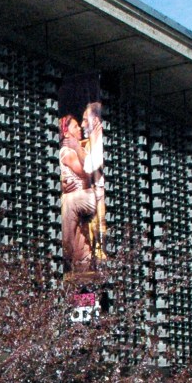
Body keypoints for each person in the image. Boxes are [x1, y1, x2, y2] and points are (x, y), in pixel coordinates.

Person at [59, 115, 95, 274]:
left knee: (69, 202)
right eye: (75, 127)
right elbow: (86, 171)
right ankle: (80, 264)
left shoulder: (77, 149)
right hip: (84, 197)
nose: (79, 128)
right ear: (66, 133)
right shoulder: (67, 152)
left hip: (89, 196)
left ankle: (68, 256)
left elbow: (90, 172)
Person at [81, 102, 106, 263]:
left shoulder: (100, 142)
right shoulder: (89, 143)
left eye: (85, 120)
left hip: (99, 194)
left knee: (98, 229)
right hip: (90, 194)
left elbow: (90, 166)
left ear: (95, 120)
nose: (83, 124)